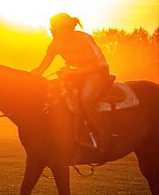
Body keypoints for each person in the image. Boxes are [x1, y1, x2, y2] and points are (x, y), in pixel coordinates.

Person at [32, 13, 110, 151]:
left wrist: (73, 72)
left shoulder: (83, 39)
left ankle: (100, 139)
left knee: (86, 98)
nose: (51, 30)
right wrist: (27, 77)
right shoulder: (55, 44)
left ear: (65, 28)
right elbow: (43, 66)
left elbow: (97, 64)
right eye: (51, 27)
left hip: (98, 73)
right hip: (77, 74)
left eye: (54, 27)